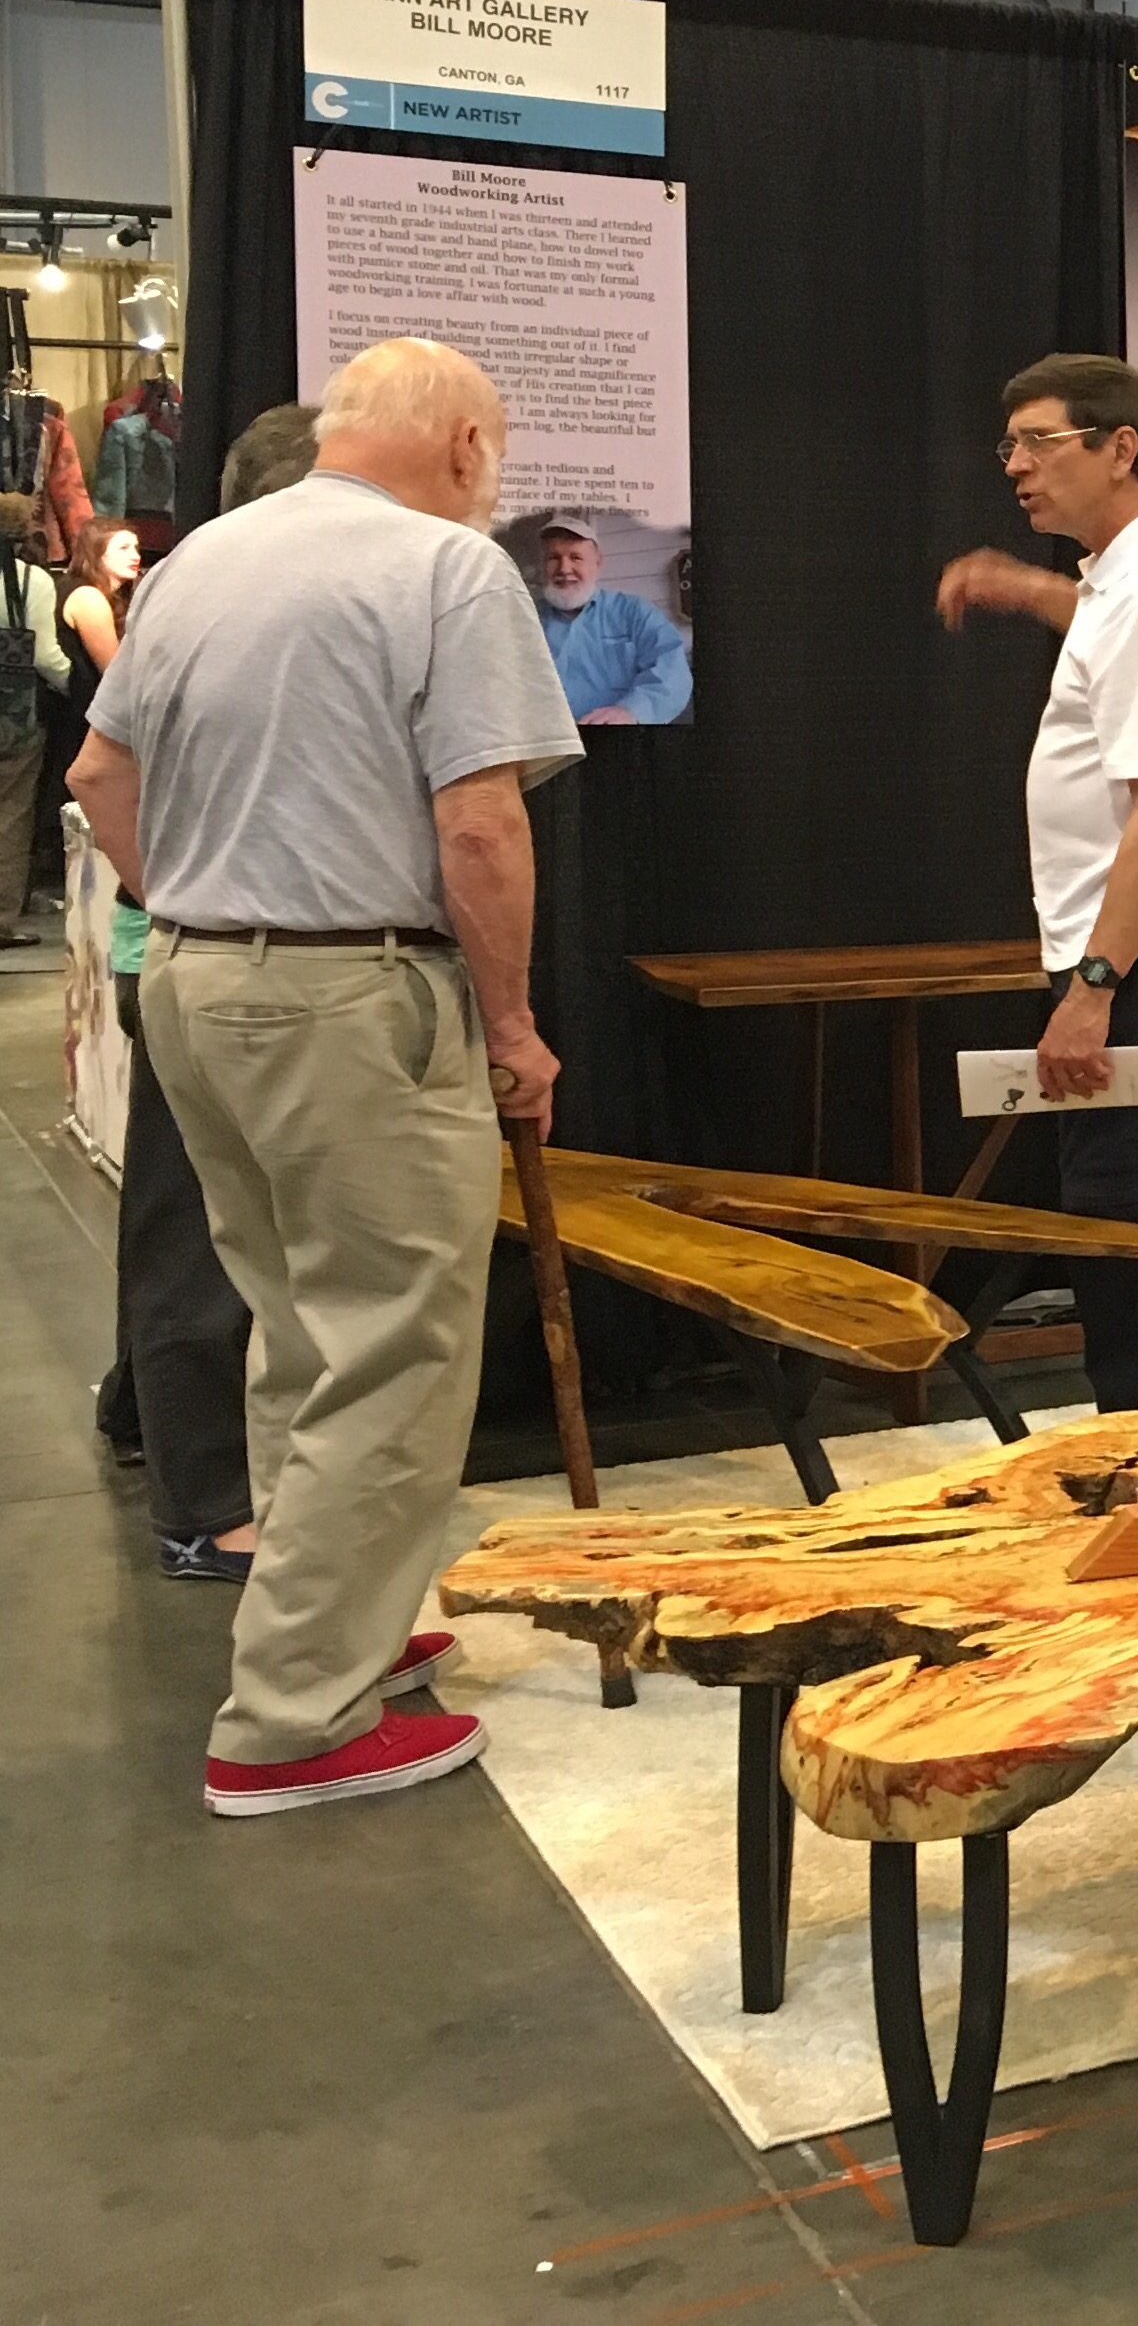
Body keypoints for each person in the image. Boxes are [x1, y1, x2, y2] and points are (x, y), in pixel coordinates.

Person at [69, 338, 578, 1816]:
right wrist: (511, 1025)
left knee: (298, 1331)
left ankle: (331, 1625)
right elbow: (478, 825)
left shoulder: (199, 564)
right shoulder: (447, 570)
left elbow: (100, 779)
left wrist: (210, 904)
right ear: (468, 447)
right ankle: (292, 1721)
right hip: (356, 994)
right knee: (395, 1351)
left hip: (197, 978)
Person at [934, 354, 1138, 1414]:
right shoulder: (1136, 573)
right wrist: (1036, 593)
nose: (1015, 466)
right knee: (1117, 1208)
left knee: (1132, 1224)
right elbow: (1119, 639)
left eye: (1039, 442)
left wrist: (1094, 987)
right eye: (1010, 446)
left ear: (1120, 449)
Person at [100, 406, 318, 1583]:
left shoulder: (188, 599)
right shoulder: (232, 606)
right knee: (202, 1234)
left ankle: (157, 1432)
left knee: (191, 1218)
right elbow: (101, 774)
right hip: (209, 957)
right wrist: (193, 902)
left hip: (184, 954)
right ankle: (206, 1507)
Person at [33, 519, 141, 909]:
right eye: (123, 548)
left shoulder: (93, 594)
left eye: (136, 547)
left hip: (76, 711)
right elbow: (114, 669)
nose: (135, 555)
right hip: (79, 715)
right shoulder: (88, 598)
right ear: (97, 553)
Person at [531, 514, 691, 724]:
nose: (564, 569)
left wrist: (630, 712)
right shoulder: (525, 617)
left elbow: (673, 673)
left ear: (597, 563)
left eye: (576, 557)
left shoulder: (634, 612)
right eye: (554, 558)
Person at [0, 493, 67, 946]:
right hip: (13, 717)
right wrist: (75, 685)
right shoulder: (30, 581)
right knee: (10, 814)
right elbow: (44, 656)